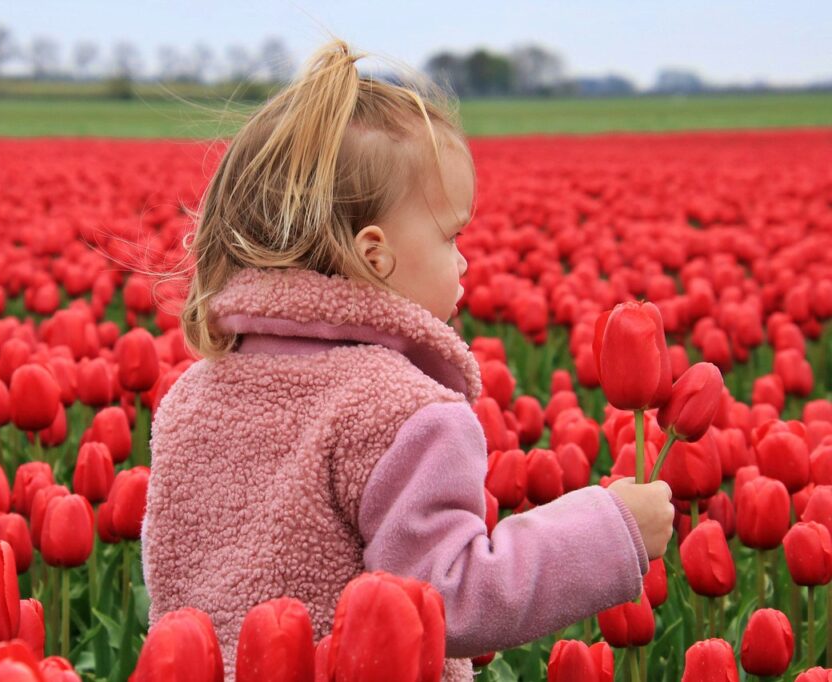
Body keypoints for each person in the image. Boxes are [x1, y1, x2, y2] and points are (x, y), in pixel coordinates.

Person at [140, 36, 674, 682]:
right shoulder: (402, 411)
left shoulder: (193, 395)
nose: (465, 260)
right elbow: (447, 595)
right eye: (451, 236)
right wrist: (608, 531)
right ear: (375, 254)